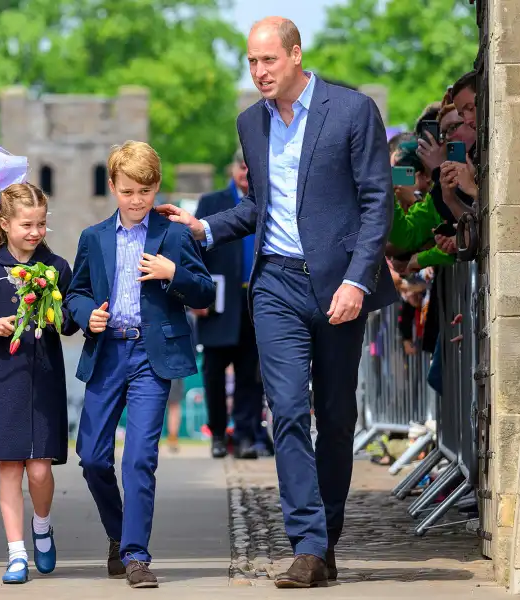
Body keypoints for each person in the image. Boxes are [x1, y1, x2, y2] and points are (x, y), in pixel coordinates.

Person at [156, 18, 396, 588]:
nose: (259, 72)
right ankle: (308, 544)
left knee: (335, 417)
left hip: (339, 285)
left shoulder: (351, 110)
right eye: (251, 62)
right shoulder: (251, 123)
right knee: (285, 410)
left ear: (295, 55)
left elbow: (376, 201)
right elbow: (261, 210)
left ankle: (327, 539)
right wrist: (203, 228)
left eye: (268, 60)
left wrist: (358, 282)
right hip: (276, 285)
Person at [67, 141, 215, 589]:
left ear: (156, 188)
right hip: (107, 352)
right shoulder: (93, 238)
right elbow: (75, 292)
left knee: (139, 459)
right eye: (128, 191)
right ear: (112, 186)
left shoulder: (172, 234)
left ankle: (135, 555)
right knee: (92, 457)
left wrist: (175, 275)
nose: (137, 201)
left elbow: (205, 292)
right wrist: (85, 314)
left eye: (146, 191)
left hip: (153, 358)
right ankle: (119, 533)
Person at [0, 183, 78, 584]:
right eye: (27, 224)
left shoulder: (57, 266)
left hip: (43, 381)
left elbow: (70, 319)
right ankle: (16, 553)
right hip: (2, 379)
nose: (36, 231)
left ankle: (42, 526)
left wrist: (66, 316)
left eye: (42, 223)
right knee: (9, 468)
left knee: (40, 470)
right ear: (5, 224)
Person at [192, 149, 264, 460]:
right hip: (218, 302)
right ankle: (219, 434)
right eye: (242, 167)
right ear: (233, 169)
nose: (246, 174)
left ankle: (247, 435)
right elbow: (192, 252)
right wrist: (195, 295)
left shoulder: (268, 199)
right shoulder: (212, 202)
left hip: (256, 300)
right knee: (214, 372)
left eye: (251, 168)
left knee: (251, 373)